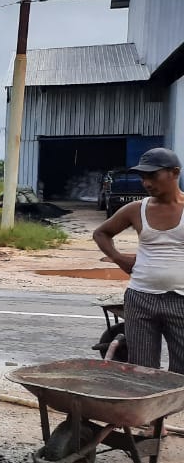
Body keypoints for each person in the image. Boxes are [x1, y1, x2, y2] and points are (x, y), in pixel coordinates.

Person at [94, 147, 184, 372]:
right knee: (142, 370)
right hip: (140, 299)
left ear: (174, 172)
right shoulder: (136, 210)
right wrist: (119, 259)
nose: (146, 183)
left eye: (153, 176)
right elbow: (101, 233)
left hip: (181, 299)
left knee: (181, 371)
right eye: (143, 177)